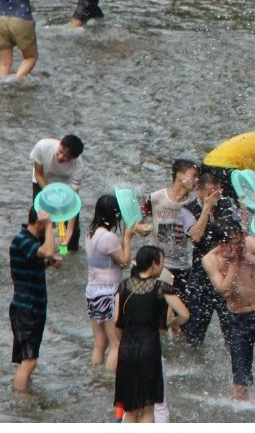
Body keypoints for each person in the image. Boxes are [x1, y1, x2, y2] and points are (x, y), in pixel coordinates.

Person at [203, 221, 255, 403]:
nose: (240, 244)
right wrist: (234, 264)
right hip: (237, 320)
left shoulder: (249, 244)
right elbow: (224, 290)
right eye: (235, 242)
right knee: (240, 379)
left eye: (241, 239)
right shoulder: (210, 260)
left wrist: (248, 256)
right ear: (222, 244)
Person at [115, 245, 188, 423]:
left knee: (130, 409)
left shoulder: (123, 286)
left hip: (126, 350)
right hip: (149, 350)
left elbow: (117, 323)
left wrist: (124, 343)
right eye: (161, 263)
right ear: (154, 264)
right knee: (148, 409)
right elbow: (185, 314)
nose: (163, 267)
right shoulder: (161, 288)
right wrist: (173, 324)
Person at [179, 170, 242, 349]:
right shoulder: (187, 210)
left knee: (232, 329)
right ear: (198, 189)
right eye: (209, 192)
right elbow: (196, 236)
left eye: (217, 192)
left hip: (224, 273)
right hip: (200, 275)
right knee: (194, 334)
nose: (214, 196)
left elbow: (235, 233)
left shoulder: (227, 204)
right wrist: (206, 208)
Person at [9, 207, 64, 392]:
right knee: (30, 362)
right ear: (40, 222)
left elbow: (39, 259)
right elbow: (49, 250)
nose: (54, 226)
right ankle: (22, 403)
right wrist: (48, 227)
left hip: (32, 308)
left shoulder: (31, 241)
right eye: (50, 223)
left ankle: (22, 394)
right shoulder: (23, 239)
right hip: (26, 309)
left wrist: (48, 264)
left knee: (24, 360)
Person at [85, 194, 135, 371]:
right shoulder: (109, 238)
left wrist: (129, 235)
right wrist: (128, 239)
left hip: (92, 291)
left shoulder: (91, 235)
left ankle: (95, 375)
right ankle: (108, 381)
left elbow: (111, 249)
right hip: (108, 292)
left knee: (100, 342)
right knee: (116, 343)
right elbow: (124, 261)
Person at [143, 158, 200, 298]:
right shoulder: (155, 198)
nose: (197, 180)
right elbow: (139, 222)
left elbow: (196, 234)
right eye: (194, 175)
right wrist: (144, 227)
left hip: (182, 265)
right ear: (180, 175)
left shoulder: (194, 204)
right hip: (157, 264)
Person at [30, 134, 86, 251]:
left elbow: (73, 201)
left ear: (73, 158)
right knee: (39, 215)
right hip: (42, 180)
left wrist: (69, 232)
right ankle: (39, 248)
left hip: (64, 186)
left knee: (71, 226)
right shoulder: (42, 146)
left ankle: (67, 251)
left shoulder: (78, 166)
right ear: (59, 143)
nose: (61, 157)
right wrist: (51, 196)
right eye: (60, 151)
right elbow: (38, 173)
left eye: (66, 157)